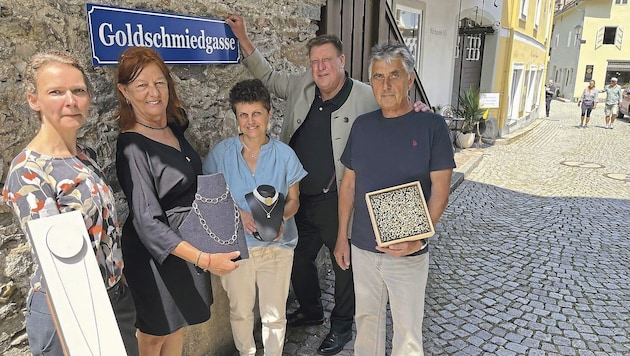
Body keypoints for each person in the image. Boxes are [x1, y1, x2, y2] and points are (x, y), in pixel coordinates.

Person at [226, 15, 430, 355]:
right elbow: (270, 77)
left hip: (337, 197)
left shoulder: (365, 95)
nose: (320, 68)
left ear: (342, 61)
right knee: (297, 256)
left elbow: (395, 105)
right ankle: (309, 309)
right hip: (295, 195)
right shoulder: (303, 84)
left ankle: (341, 327)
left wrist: (418, 109)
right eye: (315, 62)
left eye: (327, 61)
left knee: (344, 265)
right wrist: (243, 38)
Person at [2, 50, 139, 356]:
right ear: (33, 100)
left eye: (78, 90)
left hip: (114, 299)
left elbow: (104, 232)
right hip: (68, 310)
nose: (71, 100)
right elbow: (58, 266)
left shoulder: (85, 155)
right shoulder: (28, 173)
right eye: (56, 92)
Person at [114, 47, 240, 356]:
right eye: (142, 85)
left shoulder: (172, 127)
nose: (153, 92)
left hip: (186, 250)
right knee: (154, 337)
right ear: (125, 91)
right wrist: (206, 259)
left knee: (178, 327)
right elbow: (147, 221)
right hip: (154, 259)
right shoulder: (132, 146)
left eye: (160, 82)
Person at [334, 42, 455, 355]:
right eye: (377, 76)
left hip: (409, 252)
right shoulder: (362, 127)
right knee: (367, 325)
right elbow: (348, 186)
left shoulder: (432, 127)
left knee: (408, 333)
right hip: (363, 248)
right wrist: (341, 238)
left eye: (394, 75)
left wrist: (419, 240)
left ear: (410, 79)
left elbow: (441, 190)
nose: (385, 85)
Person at [202, 79, 307, 356]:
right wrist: (239, 213)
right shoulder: (220, 155)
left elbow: (295, 199)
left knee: (274, 315)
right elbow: (210, 199)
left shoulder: (285, 156)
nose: (251, 121)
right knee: (240, 312)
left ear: (269, 114)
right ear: (236, 117)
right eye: (244, 115)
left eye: (257, 113)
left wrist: (281, 219)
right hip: (237, 248)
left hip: (277, 247)